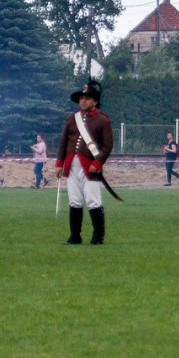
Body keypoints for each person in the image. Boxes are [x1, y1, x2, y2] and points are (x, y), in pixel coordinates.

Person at [57, 80, 113, 245]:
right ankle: (75, 236)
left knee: (93, 201)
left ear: (95, 101)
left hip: (90, 166)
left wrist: (97, 163)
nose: (83, 101)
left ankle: (98, 237)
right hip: (71, 165)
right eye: (82, 98)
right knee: (74, 201)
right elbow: (63, 142)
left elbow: (107, 146)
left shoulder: (103, 120)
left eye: (88, 98)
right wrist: (59, 163)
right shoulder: (72, 118)